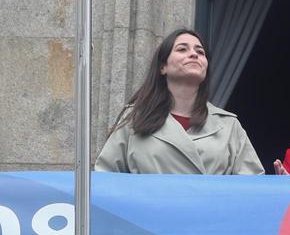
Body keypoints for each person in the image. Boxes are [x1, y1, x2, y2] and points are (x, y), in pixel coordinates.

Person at [96, 28, 264, 174]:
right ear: (163, 67)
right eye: (182, 49)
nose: (194, 54)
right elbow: (106, 181)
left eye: (200, 52)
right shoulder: (135, 118)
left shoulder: (229, 125)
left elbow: (251, 188)